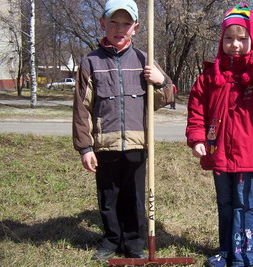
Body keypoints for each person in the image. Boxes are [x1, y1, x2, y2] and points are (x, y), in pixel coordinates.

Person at [186, 3, 253, 267]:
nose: (235, 45)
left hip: (248, 153)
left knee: (244, 204)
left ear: (252, 41)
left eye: (242, 39)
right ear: (221, 40)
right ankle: (226, 250)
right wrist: (197, 138)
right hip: (218, 152)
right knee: (225, 202)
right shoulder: (210, 76)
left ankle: (243, 253)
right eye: (229, 38)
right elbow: (196, 109)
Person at [72, 0, 173, 261]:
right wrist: (85, 147)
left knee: (135, 197)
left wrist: (160, 81)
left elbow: (166, 98)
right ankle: (111, 240)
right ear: (102, 24)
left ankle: (134, 242)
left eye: (126, 24)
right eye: (113, 23)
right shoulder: (90, 62)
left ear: (136, 28)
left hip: (138, 143)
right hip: (105, 144)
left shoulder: (143, 60)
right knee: (108, 196)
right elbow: (82, 108)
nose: (119, 29)